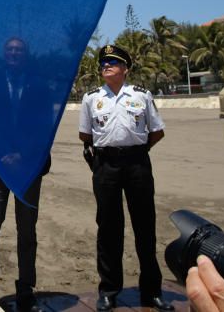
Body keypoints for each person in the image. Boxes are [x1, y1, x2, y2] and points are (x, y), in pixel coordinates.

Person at [79, 44, 173, 311]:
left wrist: (138, 150)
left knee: (145, 226)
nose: (105, 66)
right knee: (108, 227)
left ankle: (152, 291)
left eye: (113, 62)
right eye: (103, 62)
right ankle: (108, 290)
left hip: (137, 164)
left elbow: (156, 130)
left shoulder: (141, 96)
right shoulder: (91, 98)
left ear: (125, 68)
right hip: (105, 165)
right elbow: (86, 136)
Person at [0, 37, 50, 312]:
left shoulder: (39, 86)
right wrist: (3, 153)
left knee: (27, 230)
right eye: (10, 50)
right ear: (4, 54)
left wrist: (22, 155)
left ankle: (26, 288)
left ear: (25, 55)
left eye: (19, 50)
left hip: (29, 166)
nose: (14, 53)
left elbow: (44, 125)